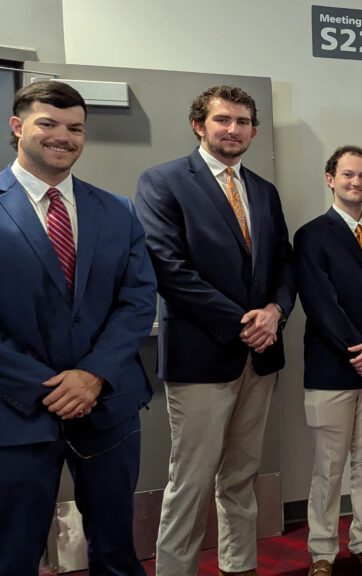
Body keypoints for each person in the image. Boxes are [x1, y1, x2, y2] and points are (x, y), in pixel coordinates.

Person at [135, 85, 296, 576]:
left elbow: (284, 265)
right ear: (198, 124)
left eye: (244, 122)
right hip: (202, 355)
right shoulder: (162, 182)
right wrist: (242, 322)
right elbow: (168, 267)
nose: (234, 129)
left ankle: (239, 566)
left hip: (260, 357)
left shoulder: (263, 191)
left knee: (241, 475)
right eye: (223, 119)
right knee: (191, 481)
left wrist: (275, 311)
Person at [0, 80, 156, 575]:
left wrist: (92, 375)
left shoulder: (117, 209)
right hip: (16, 411)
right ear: (17, 126)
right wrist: (44, 386)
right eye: (48, 124)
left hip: (107, 405)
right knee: (13, 552)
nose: (63, 137)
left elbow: (136, 300)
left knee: (116, 549)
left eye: (75, 128)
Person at [295, 146, 362, 576]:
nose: (355, 182)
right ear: (330, 179)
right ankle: (322, 552)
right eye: (347, 175)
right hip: (332, 371)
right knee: (328, 468)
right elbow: (322, 307)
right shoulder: (311, 235)